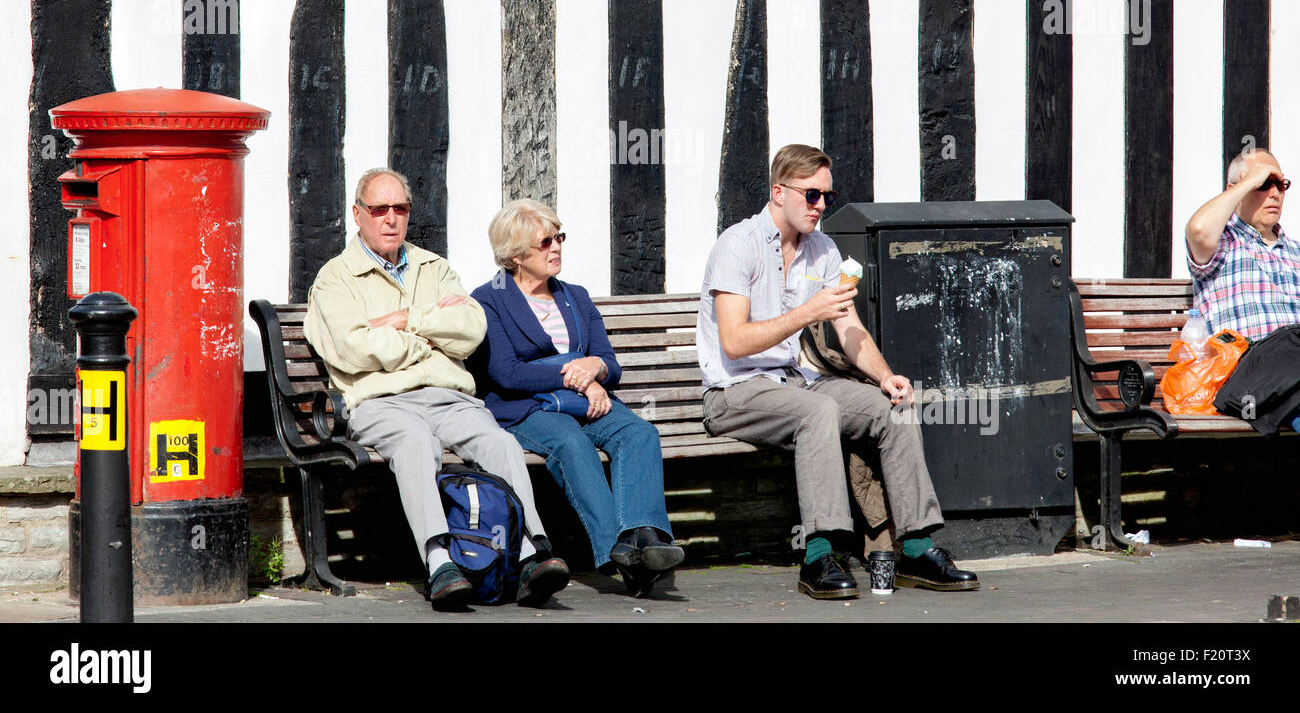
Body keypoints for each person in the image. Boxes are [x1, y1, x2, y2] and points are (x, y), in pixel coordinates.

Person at [698, 143, 979, 599]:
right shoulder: (738, 245)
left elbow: (850, 330)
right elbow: (734, 340)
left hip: (794, 382)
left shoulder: (823, 250)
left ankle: (915, 547)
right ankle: (819, 555)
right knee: (818, 412)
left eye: (827, 195)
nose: (822, 206)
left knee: (893, 407)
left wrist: (885, 375)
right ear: (778, 192)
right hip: (735, 389)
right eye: (812, 195)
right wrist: (807, 312)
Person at [303, 168, 570, 611]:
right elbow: (351, 350)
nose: (390, 219)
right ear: (358, 214)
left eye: (400, 208)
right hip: (378, 401)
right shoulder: (336, 279)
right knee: (414, 441)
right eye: (379, 209)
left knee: (498, 441)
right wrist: (426, 339)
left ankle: (530, 551)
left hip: (449, 396)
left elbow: (470, 329)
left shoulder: (435, 267)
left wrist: (404, 319)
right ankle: (440, 561)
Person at [470, 199, 685, 598]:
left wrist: (597, 371)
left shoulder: (576, 296)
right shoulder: (489, 300)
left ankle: (643, 536)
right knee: (570, 441)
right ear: (515, 255)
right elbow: (507, 373)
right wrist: (580, 376)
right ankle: (617, 553)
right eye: (544, 241)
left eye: (559, 237)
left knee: (639, 433)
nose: (556, 247)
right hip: (526, 407)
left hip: (589, 402)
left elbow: (609, 364)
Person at [1184, 148, 1300, 433]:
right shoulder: (1223, 243)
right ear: (1234, 190)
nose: (1275, 193)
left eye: (1280, 184)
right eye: (1264, 183)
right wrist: (1248, 181)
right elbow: (1197, 229)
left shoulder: (1296, 253)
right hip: (1247, 371)